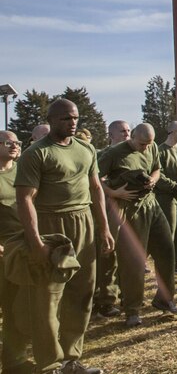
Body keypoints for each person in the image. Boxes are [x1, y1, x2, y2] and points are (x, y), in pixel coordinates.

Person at [16, 98, 114, 374]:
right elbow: (25, 199)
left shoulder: (86, 149)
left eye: (75, 119)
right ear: (51, 120)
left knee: (82, 292)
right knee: (49, 298)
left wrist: (104, 228)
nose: (72, 123)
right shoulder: (36, 153)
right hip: (52, 225)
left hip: (83, 222)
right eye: (65, 119)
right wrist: (36, 241)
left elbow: (96, 189)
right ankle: (49, 364)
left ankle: (71, 359)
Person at [96, 123, 177, 326]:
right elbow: (94, 178)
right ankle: (132, 309)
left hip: (151, 205)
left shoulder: (151, 147)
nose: (145, 148)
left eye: (148, 144)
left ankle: (164, 299)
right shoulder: (114, 153)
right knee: (133, 261)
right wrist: (114, 193)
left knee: (167, 251)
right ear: (132, 137)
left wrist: (153, 179)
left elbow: (157, 168)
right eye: (142, 144)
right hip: (129, 208)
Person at [93, 119, 133, 319]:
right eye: (122, 131)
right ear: (111, 135)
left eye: (128, 130)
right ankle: (106, 300)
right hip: (109, 211)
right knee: (108, 257)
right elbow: (96, 182)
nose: (126, 134)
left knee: (129, 256)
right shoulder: (102, 155)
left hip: (132, 211)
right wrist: (114, 193)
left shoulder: (133, 153)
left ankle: (128, 295)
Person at [0, 130, 32, 372]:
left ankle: (15, 361)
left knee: (16, 307)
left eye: (17, 142)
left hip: (20, 247)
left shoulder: (22, 171)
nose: (14, 146)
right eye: (8, 142)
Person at [153, 121, 177, 272]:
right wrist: (175, 186)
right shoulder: (160, 151)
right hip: (166, 197)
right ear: (174, 132)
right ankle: (167, 264)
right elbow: (159, 175)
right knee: (169, 230)